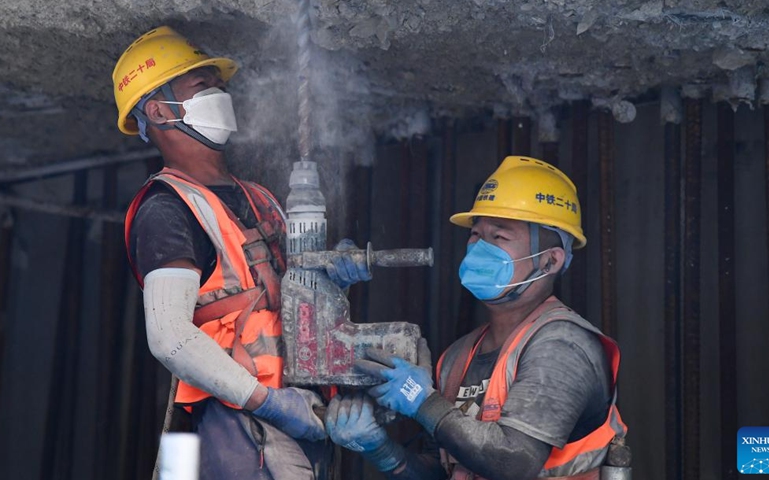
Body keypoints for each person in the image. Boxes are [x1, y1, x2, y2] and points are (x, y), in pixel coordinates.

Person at [114, 26, 370, 480]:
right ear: (158, 110)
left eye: (220, 84)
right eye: (202, 85)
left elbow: (295, 299)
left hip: (298, 414)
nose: (219, 93)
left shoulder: (261, 200)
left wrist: (332, 276)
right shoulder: (165, 208)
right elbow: (170, 336)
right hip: (232, 423)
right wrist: (266, 401)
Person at [325, 156, 627, 480]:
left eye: (499, 237)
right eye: (476, 234)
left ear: (549, 262)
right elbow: (446, 471)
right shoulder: (457, 357)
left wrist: (421, 399)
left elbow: (513, 463)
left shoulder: (565, 347)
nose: (480, 248)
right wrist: (380, 449)